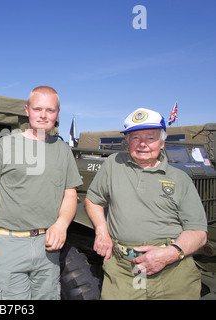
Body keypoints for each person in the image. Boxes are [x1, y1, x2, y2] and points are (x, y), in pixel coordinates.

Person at [85, 107, 208, 300]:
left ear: (162, 142)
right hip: (123, 271)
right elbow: (93, 200)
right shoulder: (113, 164)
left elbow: (198, 233)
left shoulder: (180, 179)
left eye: (150, 138)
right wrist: (102, 232)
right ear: (127, 141)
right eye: (135, 138)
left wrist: (169, 254)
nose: (142, 144)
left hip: (171, 273)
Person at [0, 86, 82, 300]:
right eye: (38, 109)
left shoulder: (62, 151)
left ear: (57, 113)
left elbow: (70, 193)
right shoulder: (4, 145)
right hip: (8, 245)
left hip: (48, 249)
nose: (43, 115)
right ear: (27, 110)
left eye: (50, 110)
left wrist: (61, 224)